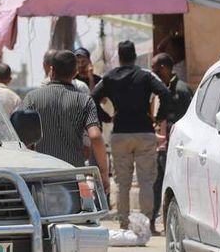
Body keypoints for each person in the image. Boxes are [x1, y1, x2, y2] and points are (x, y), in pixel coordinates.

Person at [92, 41, 170, 229]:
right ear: (134, 56)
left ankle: (125, 223)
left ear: (119, 57)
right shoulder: (145, 75)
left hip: (120, 134)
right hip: (144, 133)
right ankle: (147, 224)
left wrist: (107, 118)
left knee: (123, 182)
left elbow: (92, 97)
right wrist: (159, 119)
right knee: (146, 181)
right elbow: (165, 93)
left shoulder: (110, 77)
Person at [23, 51, 110, 191]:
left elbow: (21, 136)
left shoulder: (32, 98)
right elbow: (95, 136)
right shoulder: (84, 101)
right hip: (74, 175)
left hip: (42, 176)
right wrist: (104, 174)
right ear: (75, 72)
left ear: (51, 70)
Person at [150, 53, 194, 233]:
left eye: (155, 68)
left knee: (175, 186)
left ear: (164, 68)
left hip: (178, 148)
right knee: (157, 184)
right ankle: (153, 222)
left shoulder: (182, 89)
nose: (154, 72)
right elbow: (161, 116)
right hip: (164, 147)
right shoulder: (163, 88)